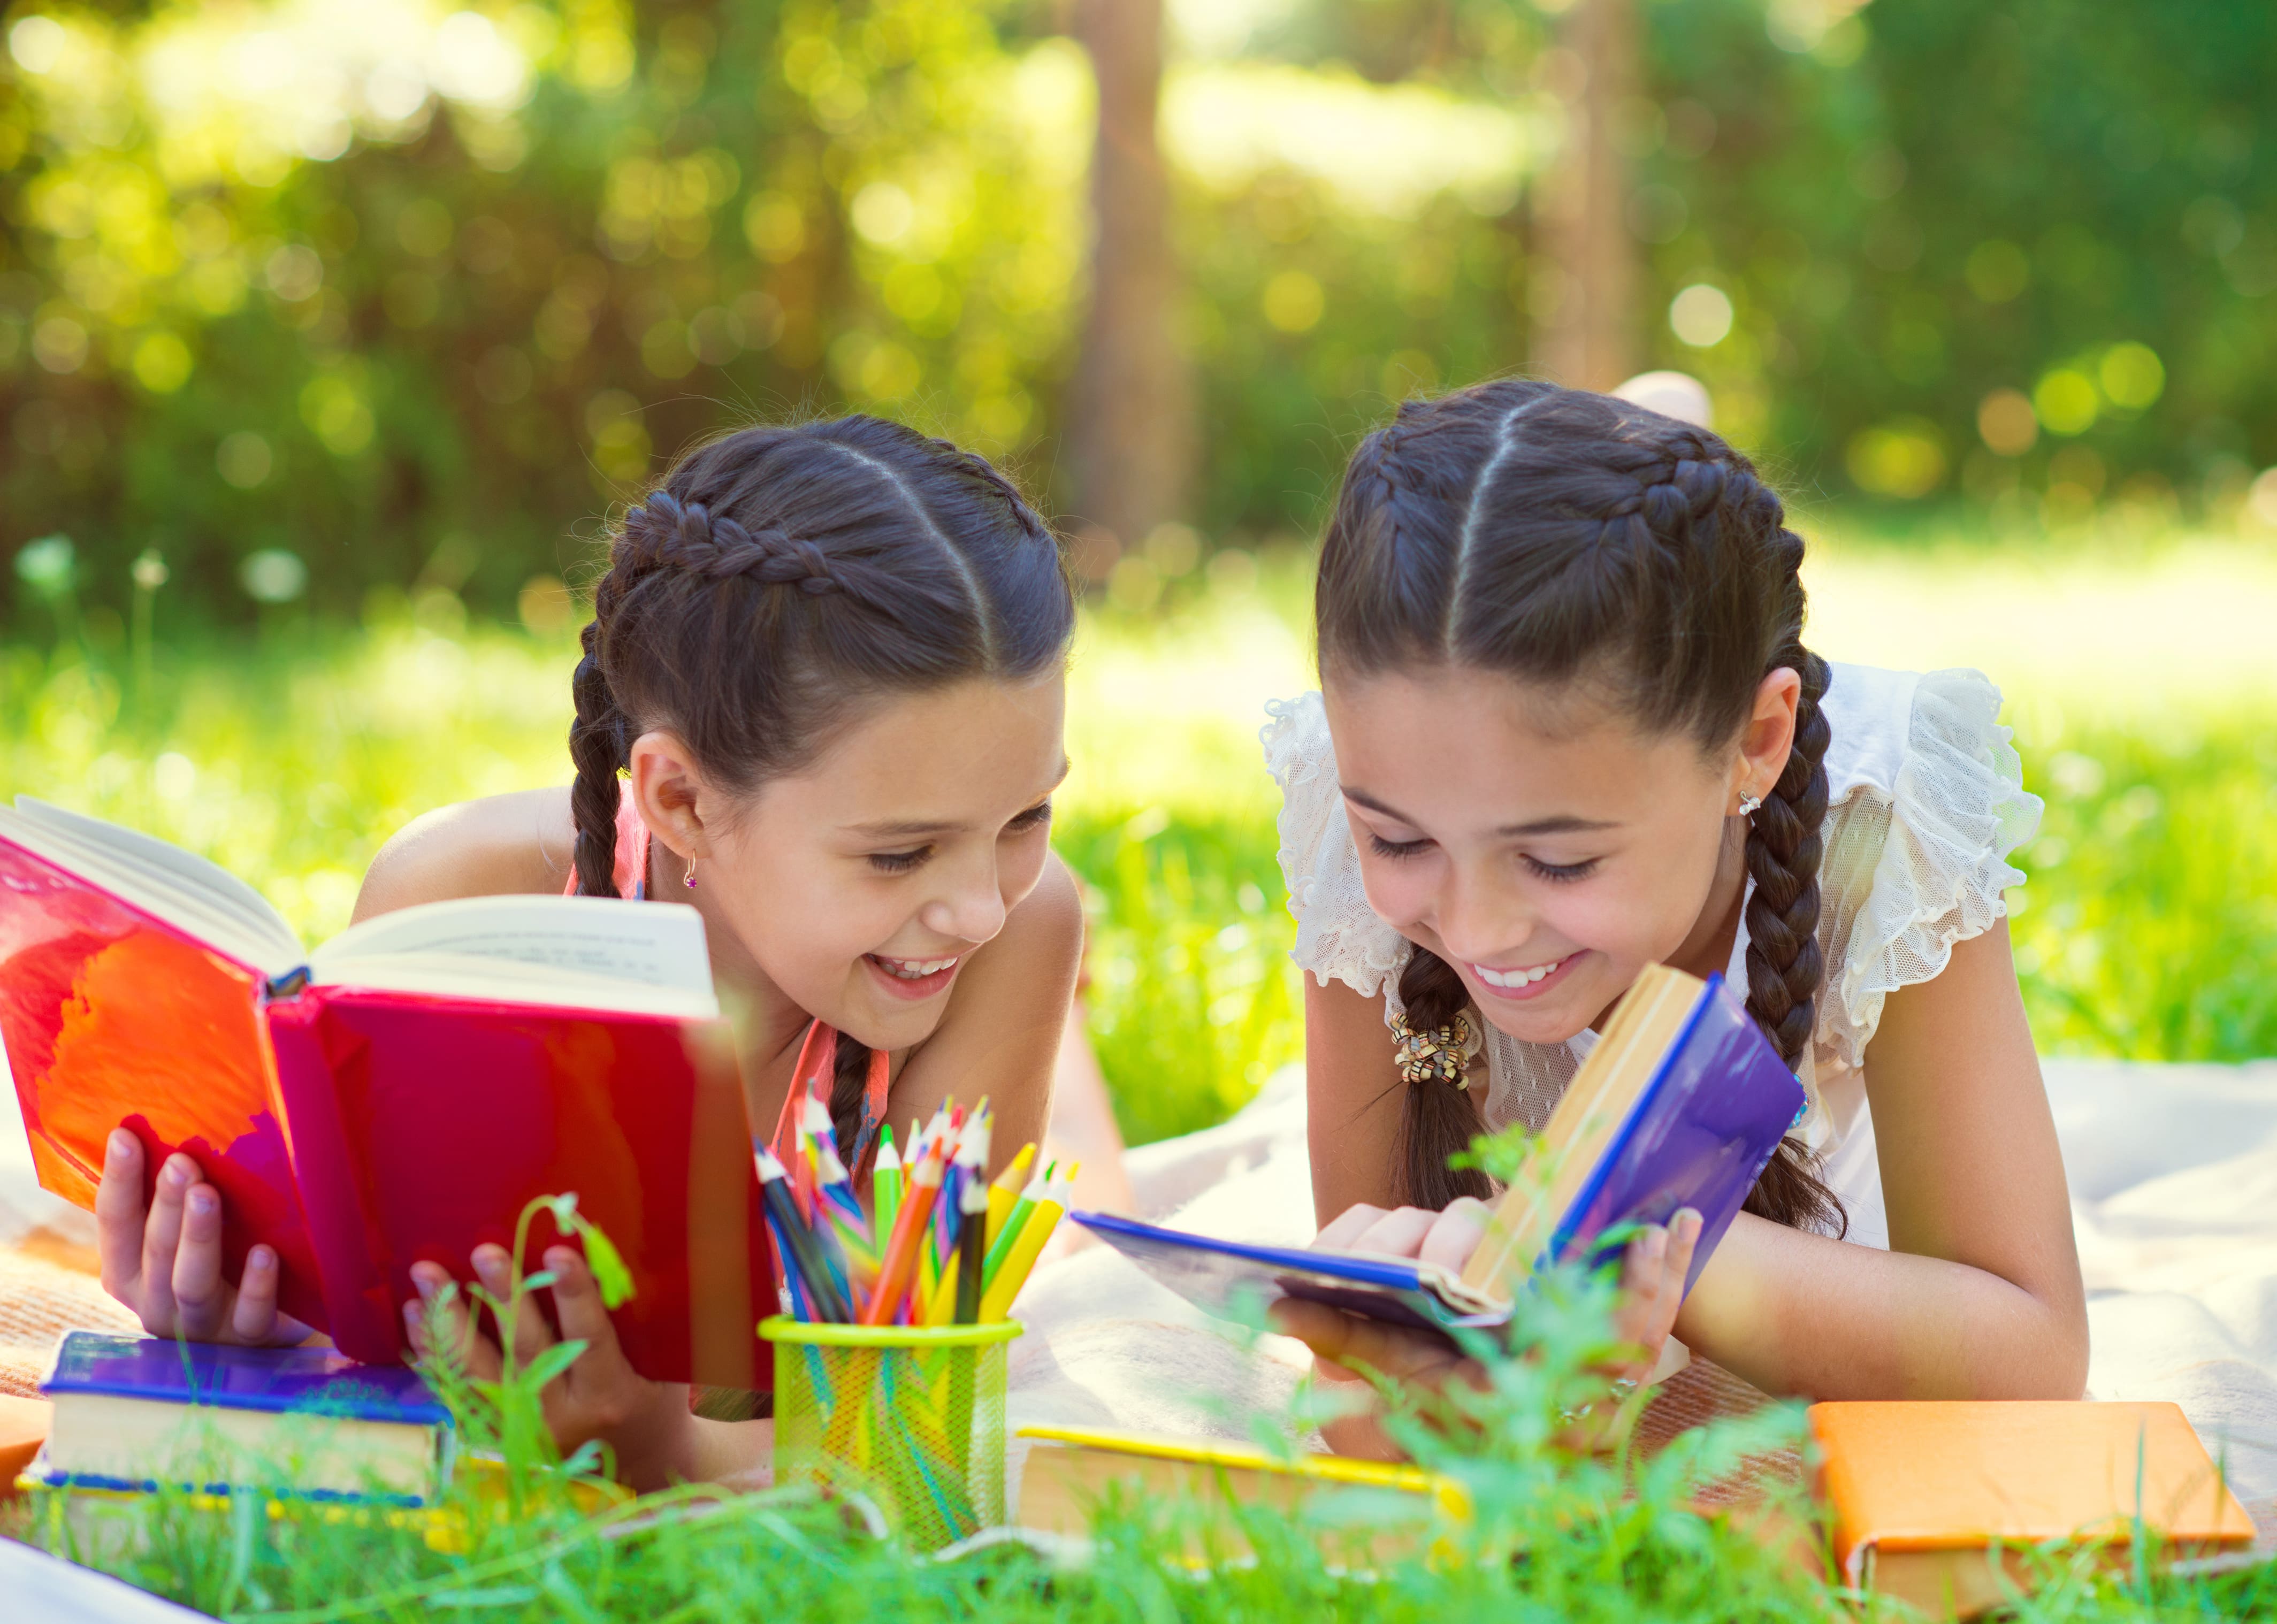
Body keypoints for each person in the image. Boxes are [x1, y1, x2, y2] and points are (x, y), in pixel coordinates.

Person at [91, 415, 1084, 1489]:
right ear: (680, 801)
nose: (979, 907)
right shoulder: (458, 900)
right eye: (901, 853)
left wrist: (674, 1458)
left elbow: (914, 1434)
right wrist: (258, 1329)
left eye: (1027, 816)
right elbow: (384, 1363)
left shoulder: (1016, 938)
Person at [1262, 379, 2086, 1451]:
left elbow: (2029, 1354)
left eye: (1556, 859)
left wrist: (1624, 1248)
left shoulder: (1879, 828)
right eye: (1401, 843)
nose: (1475, 929)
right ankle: (1651, 409)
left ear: (1755, 741)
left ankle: (1658, 408)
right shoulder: (1364, 803)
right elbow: (1374, 1369)